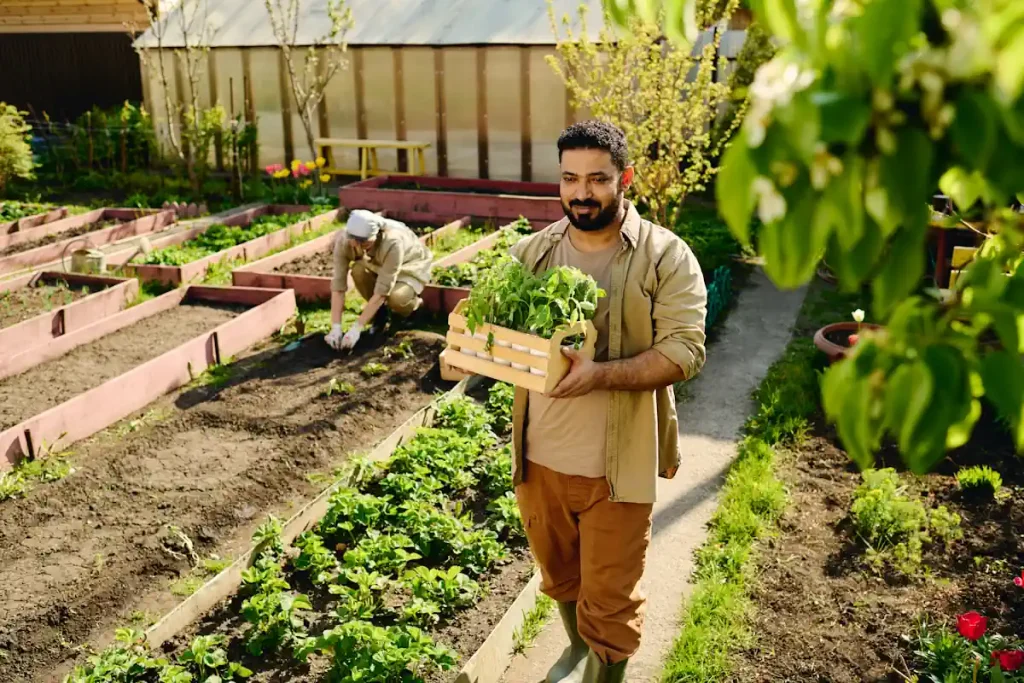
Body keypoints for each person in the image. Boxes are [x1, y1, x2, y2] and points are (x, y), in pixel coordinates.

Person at [509, 120, 707, 683]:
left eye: (597, 179)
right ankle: (574, 650)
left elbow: (684, 351)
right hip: (540, 460)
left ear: (625, 178)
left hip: (617, 467)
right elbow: (500, 333)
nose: (582, 192)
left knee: (612, 606)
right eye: (570, 179)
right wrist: (471, 350)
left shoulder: (664, 256)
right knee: (560, 576)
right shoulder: (531, 254)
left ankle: (600, 666)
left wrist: (599, 376)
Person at [324, 209, 433, 351]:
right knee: (358, 270)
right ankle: (380, 314)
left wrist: (356, 328)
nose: (357, 245)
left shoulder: (393, 242)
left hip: (409, 265)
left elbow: (383, 290)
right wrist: (336, 327)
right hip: (376, 263)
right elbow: (338, 285)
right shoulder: (344, 241)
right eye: (354, 241)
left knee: (397, 298)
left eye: (363, 242)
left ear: (376, 234)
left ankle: (414, 308)